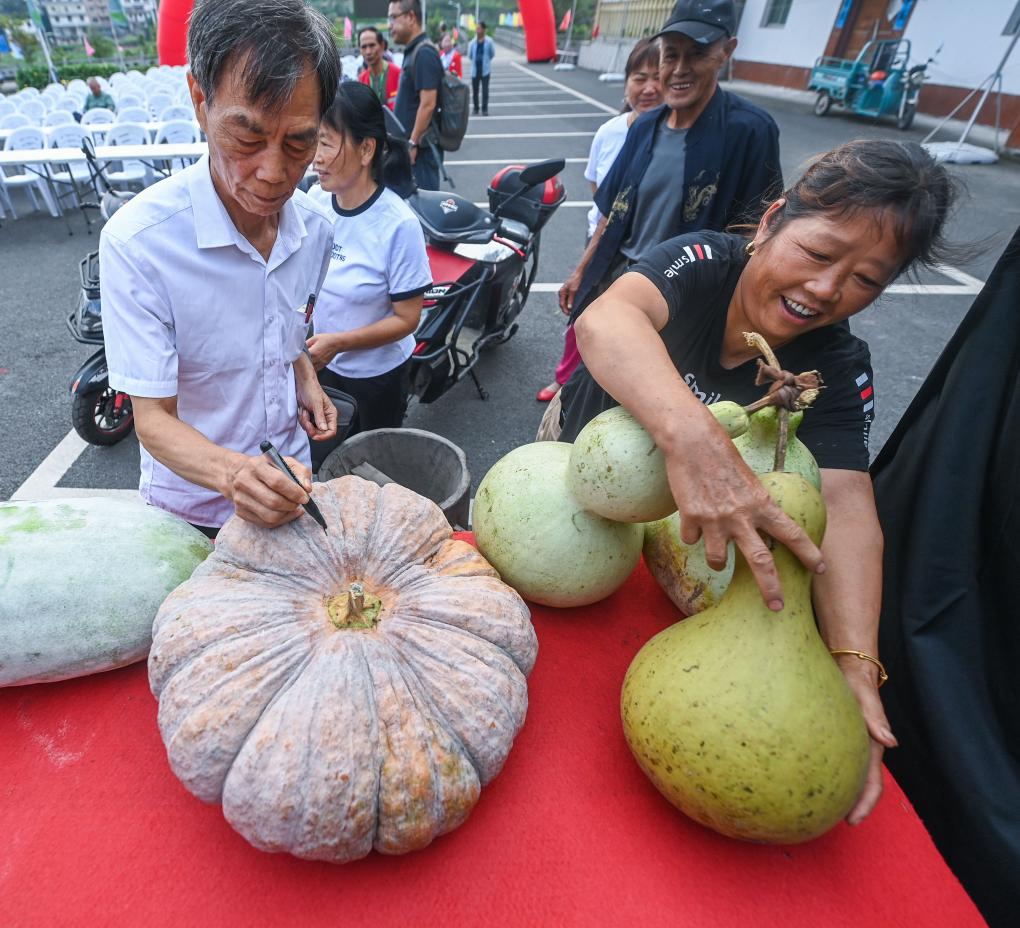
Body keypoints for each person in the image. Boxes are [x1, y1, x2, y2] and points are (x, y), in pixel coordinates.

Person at [554, 138, 960, 827]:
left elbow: (845, 504)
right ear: (771, 222)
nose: (829, 290)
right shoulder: (705, 261)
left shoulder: (833, 360)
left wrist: (856, 663)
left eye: (866, 279)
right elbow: (606, 319)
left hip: (683, 557)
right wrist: (695, 439)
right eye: (821, 254)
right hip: (581, 496)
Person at [99, 0, 341, 535]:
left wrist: (304, 378)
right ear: (199, 99)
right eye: (247, 137)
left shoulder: (316, 230)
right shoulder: (140, 244)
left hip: (289, 484)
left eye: (299, 142)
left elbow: (287, 326)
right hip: (190, 511)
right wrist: (235, 476)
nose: (273, 173)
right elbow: (153, 417)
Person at [558, 0, 781, 323]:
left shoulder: (749, 131)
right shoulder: (644, 126)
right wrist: (581, 272)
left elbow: (757, 235)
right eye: (672, 54)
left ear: (726, 52)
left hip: (685, 299)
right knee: (589, 366)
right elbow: (611, 212)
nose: (679, 69)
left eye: (697, 54)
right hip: (620, 279)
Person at [536, 38, 663, 403]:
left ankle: (611, 391)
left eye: (658, 78)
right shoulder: (610, 132)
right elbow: (600, 192)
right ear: (626, 82)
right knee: (582, 315)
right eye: (640, 78)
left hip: (647, 255)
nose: (649, 88)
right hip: (602, 238)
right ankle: (565, 382)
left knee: (631, 328)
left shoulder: (677, 138)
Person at [305, 82, 431, 433]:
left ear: (365, 149)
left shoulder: (398, 225)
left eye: (326, 142)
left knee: (372, 464)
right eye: (314, 139)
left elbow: (407, 319)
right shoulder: (315, 202)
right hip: (325, 363)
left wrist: (339, 342)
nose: (315, 155)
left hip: (378, 377)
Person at [388, 0, 444, 190]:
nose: (390, 25)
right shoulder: (414, 51)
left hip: (420, 153)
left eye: (394, 17)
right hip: (413, 152)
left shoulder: (424, 53)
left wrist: (412, 144)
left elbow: (428, 103)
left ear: (411, 17)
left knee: (423, 211)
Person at [357, 26, 401, 110]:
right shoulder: (361, 80)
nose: (368, 52)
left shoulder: (398, 74)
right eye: (364, 47)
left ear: (382, 46)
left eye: (372, 45)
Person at [467, 21, 495, 116]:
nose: (477, 30)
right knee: (475, 91)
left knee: (485, 91)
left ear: (483, 29)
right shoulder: (472, 42)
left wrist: (486, 61)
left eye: (479, 28)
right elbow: (470, 55)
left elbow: (492, 54)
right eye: (477, 28)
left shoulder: (489, 41)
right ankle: (475, 108)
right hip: (475, 69)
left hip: (485, 69)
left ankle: (484, 109)